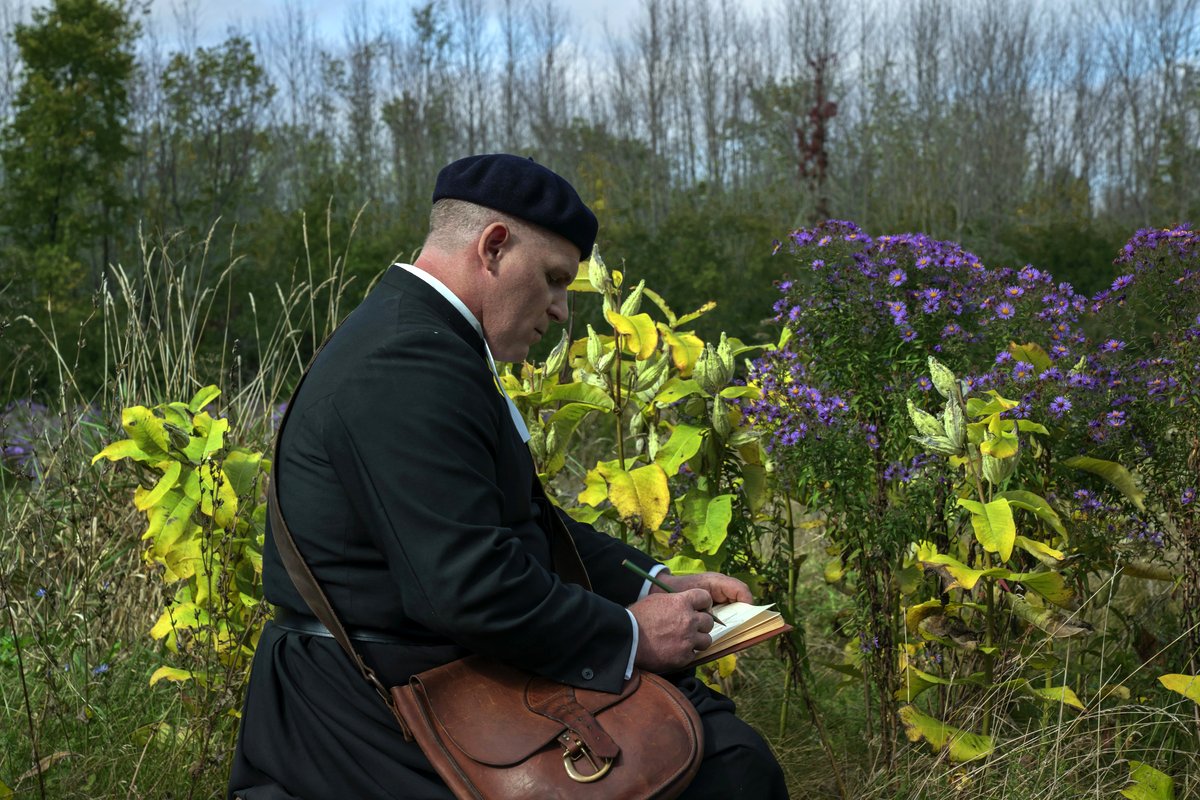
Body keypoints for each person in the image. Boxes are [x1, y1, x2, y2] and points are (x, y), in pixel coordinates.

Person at [227, 154, 788, 799]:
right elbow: (469, 585)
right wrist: (631, 633)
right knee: (723, 768)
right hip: (368, 704)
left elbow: (522, 518)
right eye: (553, 279)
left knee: (709, 739)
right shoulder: (406, 362)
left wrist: (655, 580)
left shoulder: (429, 340)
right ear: (493, 247)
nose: (559, 312)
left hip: (429, 669)